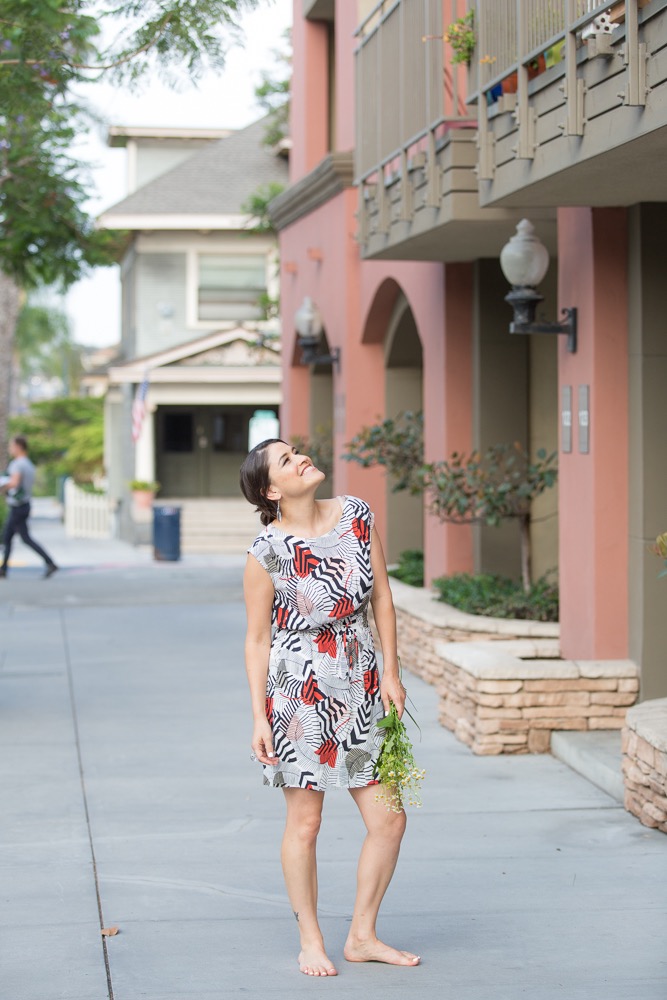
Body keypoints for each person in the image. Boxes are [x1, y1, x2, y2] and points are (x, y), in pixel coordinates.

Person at [239, 438, 419, 977]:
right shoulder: (266, 551)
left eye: (297, 450)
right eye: (287, 461)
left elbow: (382, 596)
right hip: (299, 694)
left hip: (363, 685)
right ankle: (310, 938)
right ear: (272, 489)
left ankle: (362, 934)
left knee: (389, 819)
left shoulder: (356, 514)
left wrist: (391, 670)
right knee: (306, 823)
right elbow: (255, 640)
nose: (301, 459)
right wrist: (258, 717)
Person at [0, 435, 58, 579]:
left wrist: (3, 487)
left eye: (12, 446)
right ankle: (4, 569)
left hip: (18, 506)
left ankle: (50, 562)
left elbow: (14, 482)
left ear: (19, 447)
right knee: (14, 537)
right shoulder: (28, 464)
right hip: (23, 505)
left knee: (14, 538)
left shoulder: (18, 464)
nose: (10, 449)